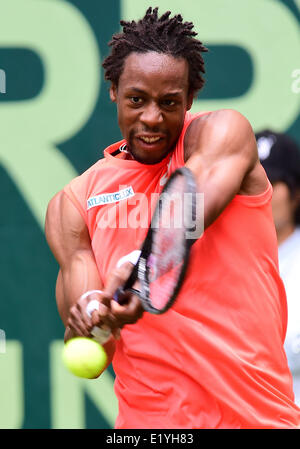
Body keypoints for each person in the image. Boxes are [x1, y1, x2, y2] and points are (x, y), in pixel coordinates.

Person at [45, 7, 300, 429]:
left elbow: (189, 205)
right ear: (113, 90)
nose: (151, 118)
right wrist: (94, 317)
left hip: (258, 420)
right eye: (136, 100)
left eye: (169, 103)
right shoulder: (74, 204)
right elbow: (90, 354)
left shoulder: (224, 135)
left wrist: (135, 270)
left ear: (190, 99)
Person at [256, 130, 300, 407]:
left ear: (296, 193)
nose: (262, 193)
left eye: (272, 181)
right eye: (252, 183)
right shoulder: (219, 264)